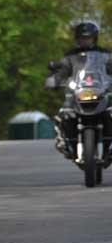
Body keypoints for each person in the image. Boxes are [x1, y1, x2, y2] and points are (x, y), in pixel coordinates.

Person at [46, 21, 112, 157]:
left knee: (109, 112)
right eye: (82, 38)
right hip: (77, 92)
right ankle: (67, 142)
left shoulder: (104, 54)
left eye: (88, 38)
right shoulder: (70, 56)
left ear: (94, 38)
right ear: (77, 39)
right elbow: (63, 71)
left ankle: (109, 145)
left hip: (100, 91)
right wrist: (54, 80)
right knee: (65, 114)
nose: (85, 41)